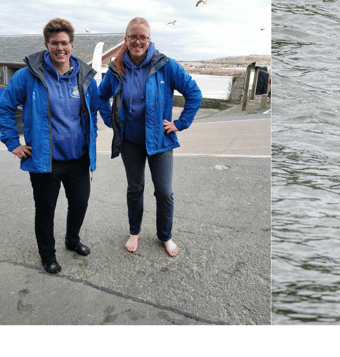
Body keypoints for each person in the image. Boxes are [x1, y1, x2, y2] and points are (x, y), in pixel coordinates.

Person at [0, 18, 99, 274]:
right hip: (45, 159)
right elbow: (5, 107)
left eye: (64, 43)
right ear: (46, 45)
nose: (60, 48)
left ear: (72, 45)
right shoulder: (27, 76)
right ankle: (48, 254)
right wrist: (13, 142)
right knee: (46, 210)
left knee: (80, 203)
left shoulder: (85, 77)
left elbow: (97, 110)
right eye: (54, 43)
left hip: (78, 158)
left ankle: (72, 240)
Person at [98, 17, 201, 257]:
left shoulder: (166, 65)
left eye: (142, 37)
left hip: (161, 141)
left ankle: (165, 235)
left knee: (164, 191)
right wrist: (111, 121)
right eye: (133, 36)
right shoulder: (117, 67)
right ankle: (134, 231)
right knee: (135, 187)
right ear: (126, 39)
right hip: (130, 142)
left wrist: (180, 123)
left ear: (149, 39)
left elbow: (194, 93)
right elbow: (100, 97)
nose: (138, 41)